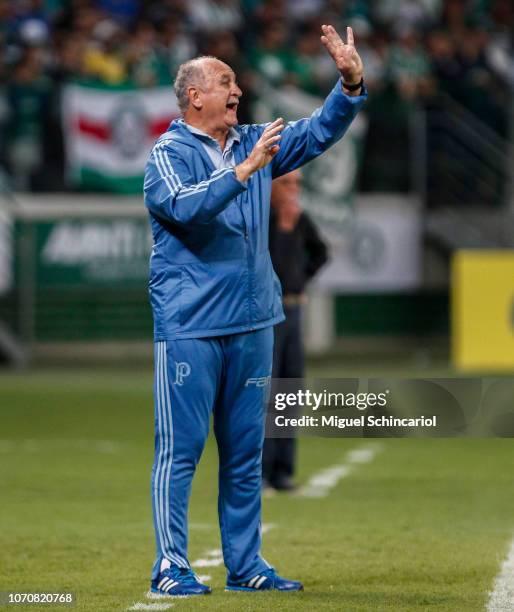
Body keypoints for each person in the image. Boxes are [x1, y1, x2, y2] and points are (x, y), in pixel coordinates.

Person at [143, 24, 366, 597]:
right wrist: (240, 173)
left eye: (236, 81)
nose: (236, 88)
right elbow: (183, 208)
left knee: (245, 454)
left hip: (254, 322)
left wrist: (349, 83)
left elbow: (317, 134)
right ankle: (171, 565)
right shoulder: (167, 154)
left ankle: (245, 566)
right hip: (191, 325)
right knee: (182, 451)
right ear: (195, 96)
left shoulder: (253, 141)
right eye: (224, 81)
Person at [263, 169, 328, 492]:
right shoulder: (261, 217)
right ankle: (259, 473)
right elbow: (270, 265)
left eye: (298, 184)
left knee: (290, 391)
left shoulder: (299, 218)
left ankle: (282, 471)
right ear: (271, 185)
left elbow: (321, 253)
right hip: (268, 315)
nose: (294, 190)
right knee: (266, 393)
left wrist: (301, 280)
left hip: (294, 310)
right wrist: (286, 232)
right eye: (287, 183)